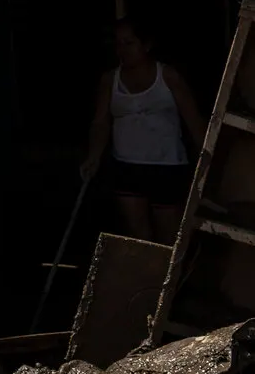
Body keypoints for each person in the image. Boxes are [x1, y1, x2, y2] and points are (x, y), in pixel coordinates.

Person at [82, 18, 206, 243]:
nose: (123, 50)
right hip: (127, 166)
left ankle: (169, 278)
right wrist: (94, 156)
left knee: (168, 237)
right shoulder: (110, 80)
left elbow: (194, 121)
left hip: (167, 166)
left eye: (129, 43)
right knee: (139, 236)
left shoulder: (168, 76)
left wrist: (207, 162)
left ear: (146, 45)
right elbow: (100, 122)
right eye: (119, 44)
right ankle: (147, 277)